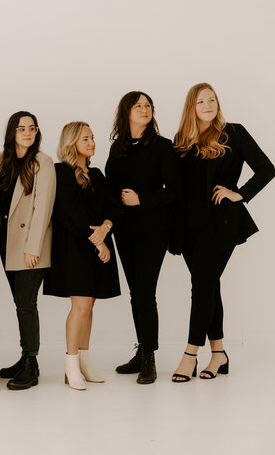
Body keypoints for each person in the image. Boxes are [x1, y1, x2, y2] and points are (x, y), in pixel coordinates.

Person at [170, 83, 275, 382]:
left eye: (212, 99)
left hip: (222, 224)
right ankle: (219, 354)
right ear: (192, 107)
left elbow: (267, 169)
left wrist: (238, 193)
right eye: (201, 101)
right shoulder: (182, 141)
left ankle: (190, 353)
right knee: (208, 284)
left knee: (201, 286)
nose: (208, 105)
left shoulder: (235, 132)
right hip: (190, 226)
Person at [105, 92, 181, 385]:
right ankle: (141, 349)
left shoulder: (163, 147)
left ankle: (150, 356)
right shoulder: (118, 148)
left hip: (153, 229)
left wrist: (143, 200)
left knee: (146, 292)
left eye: (148, 106)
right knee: (136, 292)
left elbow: (175, 191)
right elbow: (111, 190)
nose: (145, 110)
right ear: (126, 112)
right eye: (138, 106)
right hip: (125, 231)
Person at [44, 121, 120, 391]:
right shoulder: (61, 172)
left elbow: (112, 207)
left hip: (97, 243)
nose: (92, 142)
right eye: (85, 138)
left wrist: (105, 229)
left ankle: (85, 361)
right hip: (74, 248)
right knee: (81, 306)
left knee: (90, 307)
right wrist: (98, 241)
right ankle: (70, 364)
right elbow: (70, 213)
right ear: (71, 142)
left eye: (93, 137)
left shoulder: (97, 174)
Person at [0, 111, 55, 390]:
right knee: (21, 304)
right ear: (12, 132)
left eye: (32, 128)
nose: (27, 133)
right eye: (21, 129)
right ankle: (24, 357)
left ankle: (31, 362)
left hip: (31, 247)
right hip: (7, 245)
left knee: (26, 305)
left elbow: (43, 208)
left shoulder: (42, 162)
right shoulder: (1, 162)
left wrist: (34, 248)